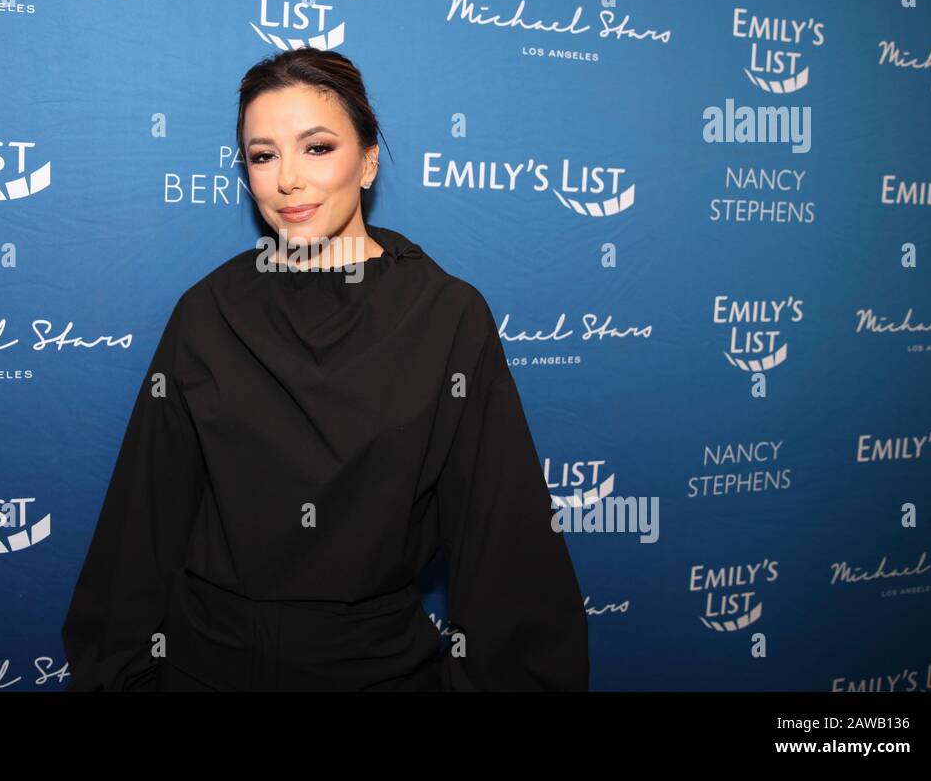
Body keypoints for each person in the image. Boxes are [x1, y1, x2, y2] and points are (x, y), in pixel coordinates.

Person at [61, 48, 589, 691]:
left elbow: (505, 547)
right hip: (204, 668)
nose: (287, 180)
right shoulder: (208, 312)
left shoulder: (446, 316)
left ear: (368, 160)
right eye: (262, 155)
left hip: (379, 673)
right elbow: (140, 531)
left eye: (316, 148)